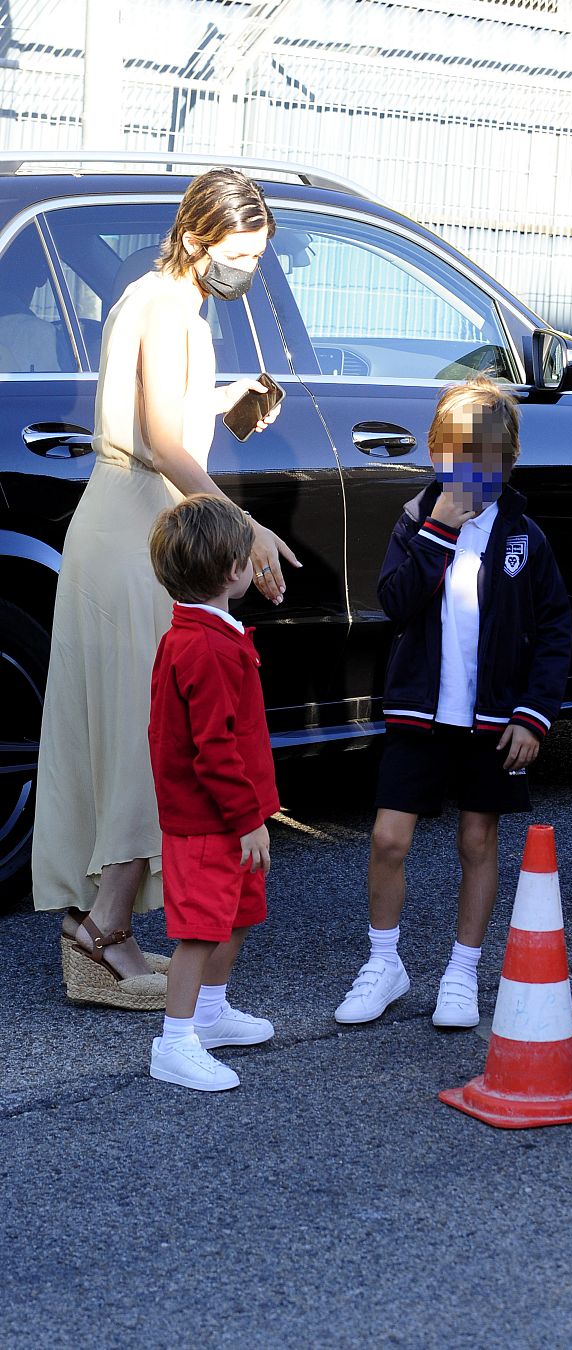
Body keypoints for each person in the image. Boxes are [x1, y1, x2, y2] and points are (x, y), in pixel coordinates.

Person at [33, 166, 299, 1010]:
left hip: (125, 524)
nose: (247, 269)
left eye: (257, 254)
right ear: (195, 238)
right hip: (135, 533)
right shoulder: (168, 308)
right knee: (148, 740)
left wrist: (220, 401)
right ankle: (102, 932)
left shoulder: (158, 298)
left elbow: (154, 416)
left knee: (127, 734)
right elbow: (159, 441)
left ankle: (99, 924)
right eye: (240, 252)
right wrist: (244, 523)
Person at [334, 376, 572, 1029]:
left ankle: (462, 972)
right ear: (437, 455)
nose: (471, 473)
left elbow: (555, 629)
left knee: (476, 838)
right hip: (419, 714)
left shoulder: (524, 537)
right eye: (458, 458)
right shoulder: (416, 521)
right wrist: (438, 529)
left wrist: (534, 715)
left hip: (494, 724)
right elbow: (396, 601)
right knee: (388, 838)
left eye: (487, 460)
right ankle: (384, 963)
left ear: (508, 463)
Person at [147, 494, 279, 1092]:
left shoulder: (203, 634)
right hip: (210, 821)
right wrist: (248, 818)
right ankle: (174, 1042)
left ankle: (209, 1013)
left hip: (229, 816)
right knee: (200, 930)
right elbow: (214, 748)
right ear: (233, 571)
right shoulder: (204, 647)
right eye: (250, 557)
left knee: (239, 914)